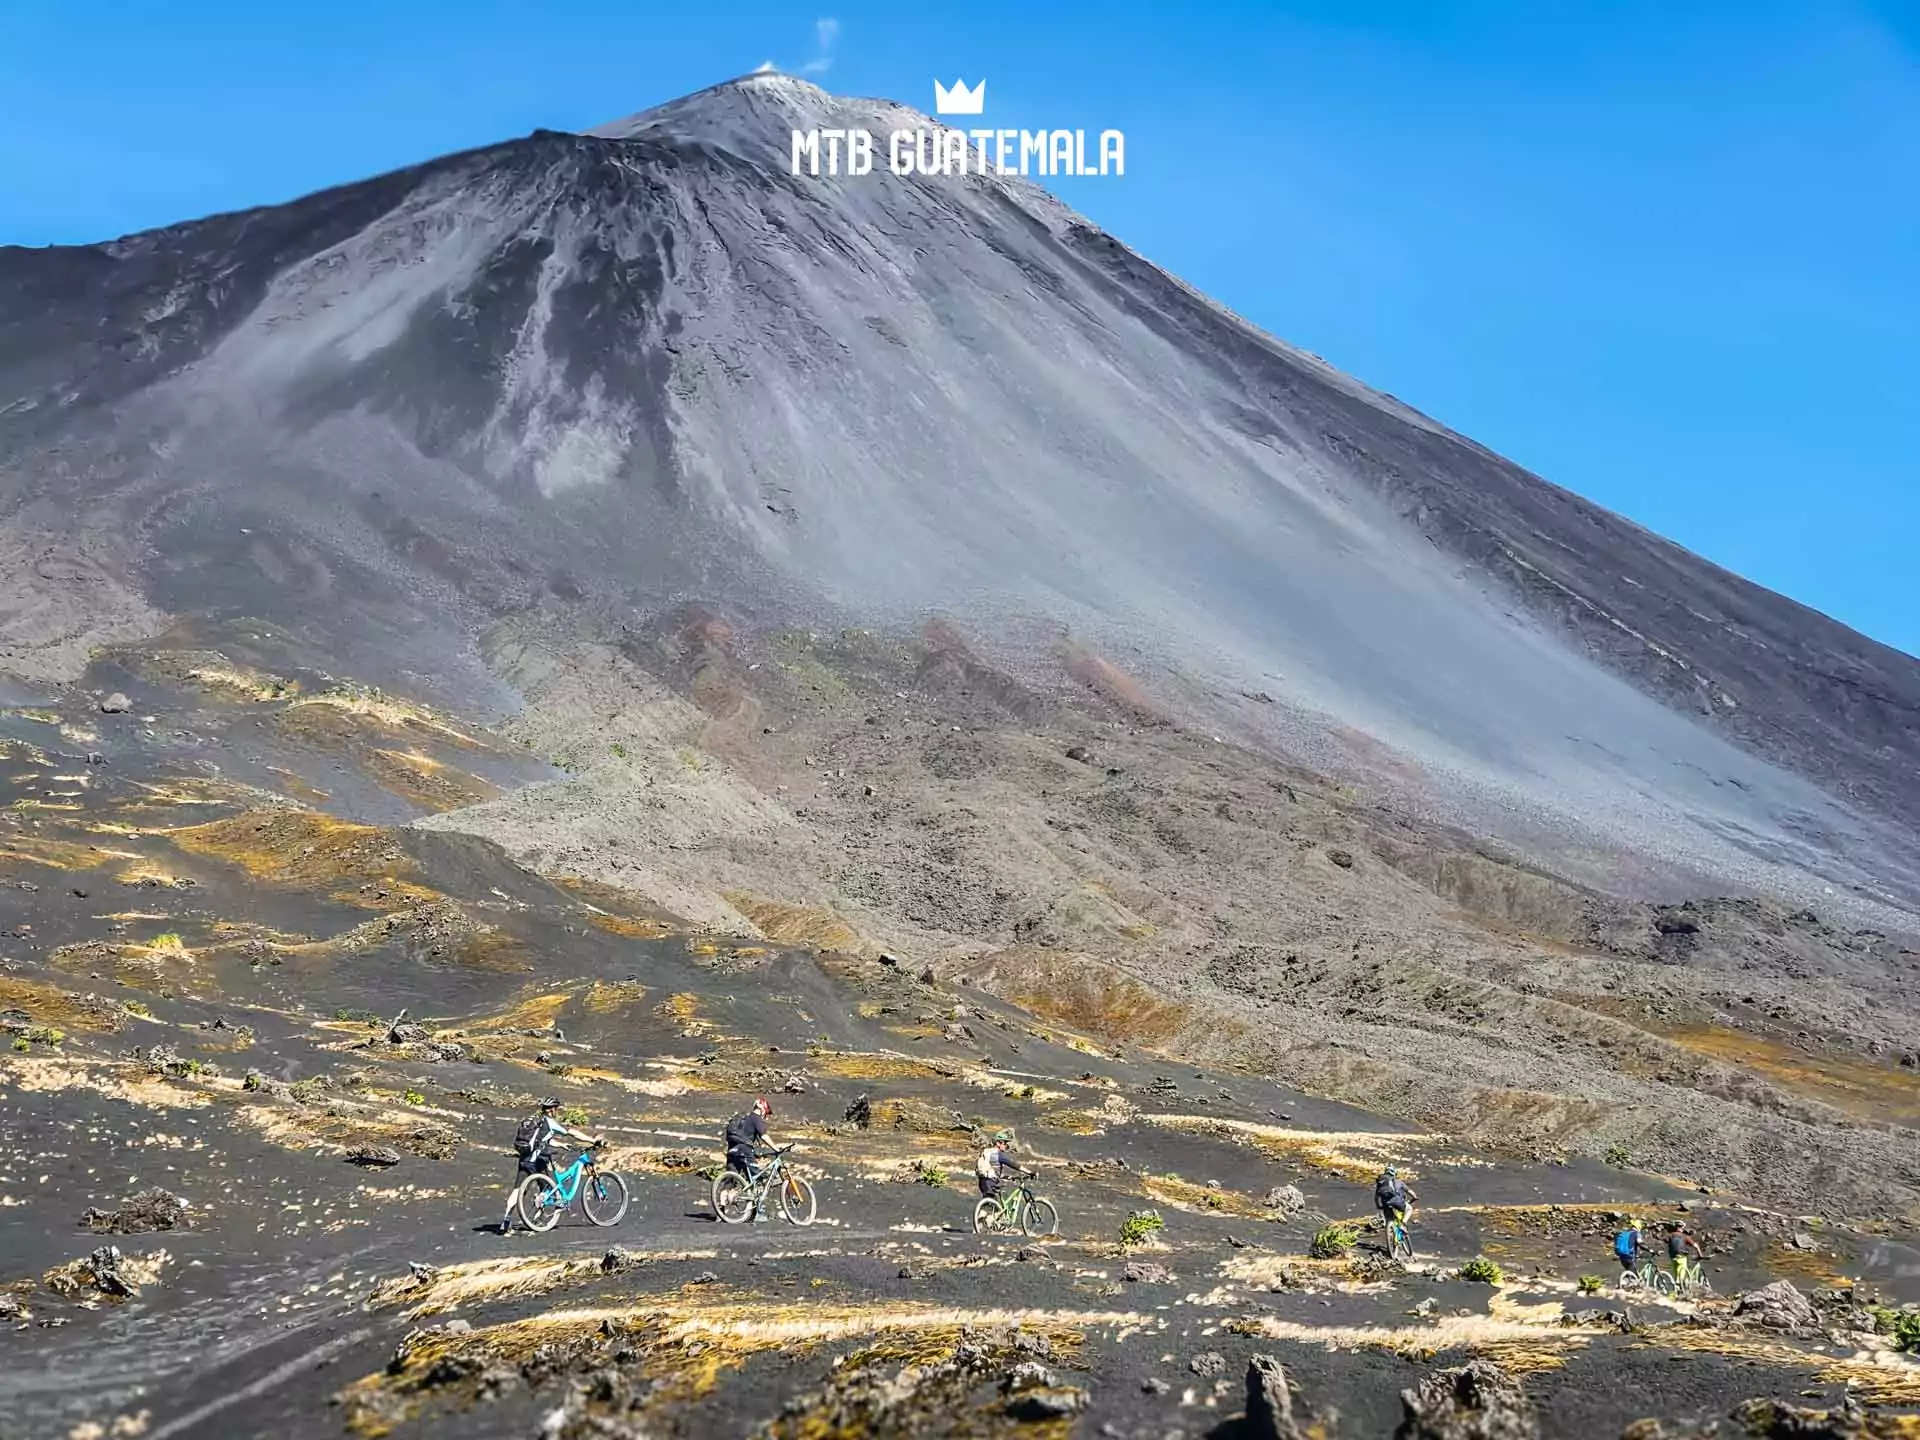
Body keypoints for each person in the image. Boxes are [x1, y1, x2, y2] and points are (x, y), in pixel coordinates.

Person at [502, 1098, 596, 1233]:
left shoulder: (534, 1120)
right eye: (556, 1109)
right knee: (545, 1190)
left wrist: (560, 1144)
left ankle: (506, 1220)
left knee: (517, 1189)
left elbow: (544, 1139)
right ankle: (536, 1219)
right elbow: (570, 1132)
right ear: (552, 1109)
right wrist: (591, 1140)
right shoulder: (549, 1122)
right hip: (538, 1159)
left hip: (525, 1158)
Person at [723, 1097, 777, 1219]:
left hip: (732, 1149)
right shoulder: (755, 1118)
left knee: (729, 1182)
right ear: (762, 1107)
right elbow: (764, 1136)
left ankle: (720, 1212)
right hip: (745, 1151)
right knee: (757, 1179)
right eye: (766, 1111)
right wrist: (776, 1148)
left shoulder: (744, 1119)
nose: (765, 1115)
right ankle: (758, 1213)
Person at [976, 1130, 1027, 1202]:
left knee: (989, 1204)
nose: (1006, 1145)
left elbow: (992, 1170)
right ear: (998, 1143)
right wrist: (1029, 1172)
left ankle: (982, 1212)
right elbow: (1013, 1164)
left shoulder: (987, 1152)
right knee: (992, 1206)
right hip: (990, 1182)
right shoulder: (997, 1154)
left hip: (982, 1181)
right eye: (1004, 1143)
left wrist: (1007, 1177)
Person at [1374, 1165, 1417, 1231]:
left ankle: (1389, 1232)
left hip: (1385, 1203)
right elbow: (1411, 1193)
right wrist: (1414, 1198)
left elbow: (1376, 1197)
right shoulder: (1399, 1182)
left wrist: (1379, 1206)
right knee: (1409, 1209)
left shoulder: (1381, 1183)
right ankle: (1403, 1224)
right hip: (1397, 1202)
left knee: (1389, 1218)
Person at [1667, 1220, 1705, 1285]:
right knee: (1682, 1274)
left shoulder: (1671, 1236)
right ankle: (1680, 1285)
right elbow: (1696, 1246)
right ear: (1682, 1228)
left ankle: (1676, 1287)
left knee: (1676, 1274)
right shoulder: (1684, 1236)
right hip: (1682, 1256)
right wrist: (1700, 1255)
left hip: (1673, 1257)